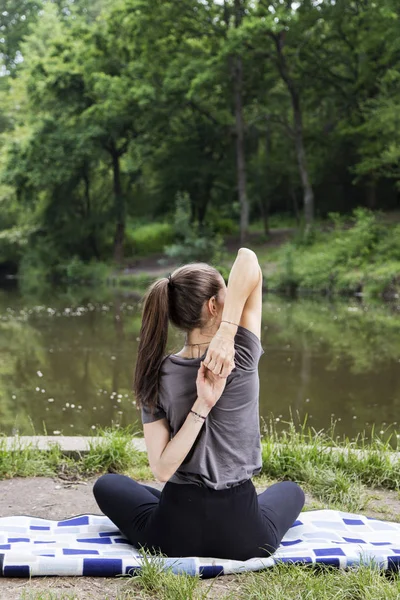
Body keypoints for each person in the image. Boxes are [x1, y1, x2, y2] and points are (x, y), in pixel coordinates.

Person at [93, 248, 305, 561]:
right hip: (244, 537)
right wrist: (228, 333)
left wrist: (199, 410)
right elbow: (248, 259)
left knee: (108, 485)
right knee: (292, 491)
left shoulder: (155, 373)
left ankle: (169, 506)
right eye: (226, 291)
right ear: (214, 305)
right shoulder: (243, 351)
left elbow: (163, 470)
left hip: (173, 534)